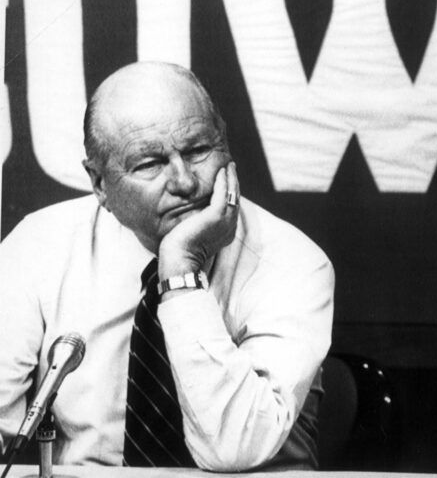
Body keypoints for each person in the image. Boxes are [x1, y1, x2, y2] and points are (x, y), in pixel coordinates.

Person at [0, 62, 334, 471]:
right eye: (149, 164)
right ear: (100, 184)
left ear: (225, 145)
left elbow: (235, 449)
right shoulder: (39, 246)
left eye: (198, 151)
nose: (185, 182)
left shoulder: (294, 262)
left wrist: (181, 275)